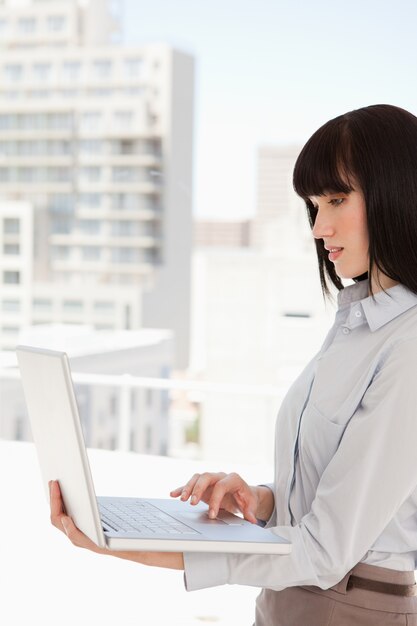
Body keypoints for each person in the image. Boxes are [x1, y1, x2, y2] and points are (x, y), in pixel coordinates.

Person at [50, 103, 417, 625]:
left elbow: (325, 550)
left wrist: (131, 545)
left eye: (336, 199)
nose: (319, 227)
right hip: (292, 601)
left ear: (396, 192)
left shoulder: (408, 346)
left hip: (352, 608)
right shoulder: (354, 324)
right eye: (314, 205)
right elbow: (332, 496)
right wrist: (263, 500)